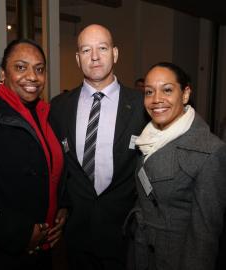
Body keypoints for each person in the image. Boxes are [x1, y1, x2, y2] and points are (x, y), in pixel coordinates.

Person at [0, 39, 66, 270]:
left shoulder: (46, 115)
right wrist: (21, 233)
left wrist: (62, 209)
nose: (32, 76)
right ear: (3, 73)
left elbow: (54, 171)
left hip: (40, 252)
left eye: (39, 69)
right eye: (20, 67)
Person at [49, 24, 147, 270]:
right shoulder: (59, 107)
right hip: (76, 234)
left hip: (125, 233)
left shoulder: (142, 106)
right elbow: (55, 163)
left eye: (102, 48)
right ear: (77, 58)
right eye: (86, 50)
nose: (94, 57)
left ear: (115, 54)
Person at [126, 62, 226, 270]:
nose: (156, 100)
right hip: (142, 250)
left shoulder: (210, 151)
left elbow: (204, 237)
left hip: (174, 258)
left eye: (167, 90)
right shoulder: (148, 137)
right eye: (149, 92)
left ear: (186, 94)